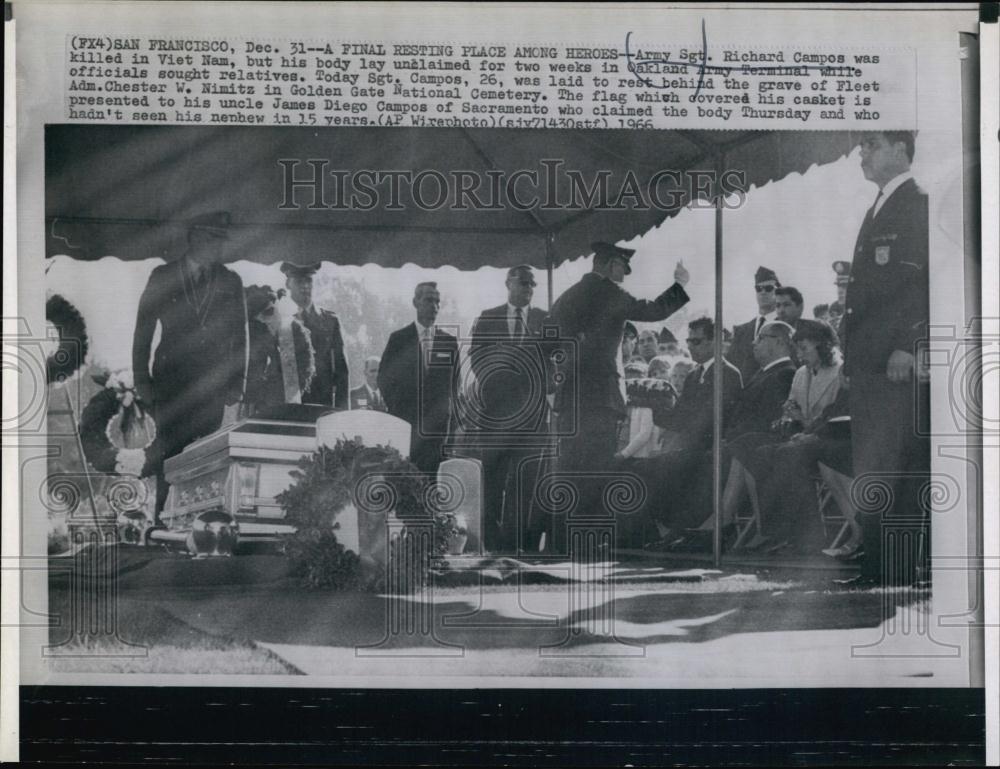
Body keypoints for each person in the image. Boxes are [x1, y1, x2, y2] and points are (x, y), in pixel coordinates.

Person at [548, 242, 689, 549]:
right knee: (597, 467)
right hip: (600, 396)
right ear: (611, 264)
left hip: (570, 396)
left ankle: (561, 541)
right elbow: (652, 310)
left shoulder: (567, 296)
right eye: (623, 268)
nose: (625, 274)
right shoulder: (608, 292)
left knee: (570, 468)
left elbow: (547, 341)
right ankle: (587, 541)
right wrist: (679, 285)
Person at [837, 130, 930, 587]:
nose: (863, 153)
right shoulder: (879, 207)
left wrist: (908, 343)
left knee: (899, 465)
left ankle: (893, 568)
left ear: (900, 147)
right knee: (872, 465)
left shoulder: (917, 201)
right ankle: (876, 565)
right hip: (869, 362)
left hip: (894, 361)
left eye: (872, 144)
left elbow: (921, 282)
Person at [132, 211, 247, 518]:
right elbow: (143, 332)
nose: (218, 247)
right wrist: (142, 383)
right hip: (169, 386)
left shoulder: (230, 280)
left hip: (211, 388)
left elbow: (240, 337)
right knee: (168, 458)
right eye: (212, 239)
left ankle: (199, 526)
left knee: (204, 459)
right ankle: (162, 525)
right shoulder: (162, 276)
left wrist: (236, 385)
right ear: (194, 237)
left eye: (221, 241)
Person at [468, 265, 553, 553]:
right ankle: (491, 546)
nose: (529, 289)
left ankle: (518, 545)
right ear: (509, 283)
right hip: (495, 416)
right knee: (492, 484)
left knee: (525, 484)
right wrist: (502, 384)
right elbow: (478, 360)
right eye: (524, 283)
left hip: (532, 419)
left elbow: (554, 360)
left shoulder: (544, 319)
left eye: (533, 285)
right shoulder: (488, 318)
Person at [643, 317, 742, 543]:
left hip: (713, 447)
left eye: (696, 341)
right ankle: (663, 529)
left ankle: (681, 532)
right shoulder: (694, 375)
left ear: (714, 342)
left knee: (670, 468)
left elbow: (712, 418)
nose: (689, 346)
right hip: (692, 447)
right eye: (688, 340)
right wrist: (656, 405)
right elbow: (679, 418)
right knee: (645, 469)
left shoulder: (728, 373)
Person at [379, 282, 459, 474]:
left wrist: (450, 427)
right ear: (415, 302)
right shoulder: (399, 339)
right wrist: (400, 407)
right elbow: (384, 379)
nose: (435, 306)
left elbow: (455, 388)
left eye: (438, 302)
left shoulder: (448, 342)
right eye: (429, 300)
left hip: (437, 432)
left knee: (433, 486)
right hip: (406, 427)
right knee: (405, 483)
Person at [281, 262, 349, 409]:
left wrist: (342, 411)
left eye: (309, 281)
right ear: (288, 284)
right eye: (299, 281)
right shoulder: (279, 319)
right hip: (285, 404)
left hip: (321, 403)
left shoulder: (330, 321)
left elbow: (341, 371)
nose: (305, 286)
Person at [244, 285, 315, 415]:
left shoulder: (294, 332)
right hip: (254, 407)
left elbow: (303, 372)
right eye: (259, 319)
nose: (267, 321)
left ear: (277, 306)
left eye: (269, 312)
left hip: (292, 404)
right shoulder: (251, 335)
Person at [729, 266, 780, 382]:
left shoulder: (784, 327)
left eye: (768, 288)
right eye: (759, 289)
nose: (763, 292)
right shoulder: (741, 331)